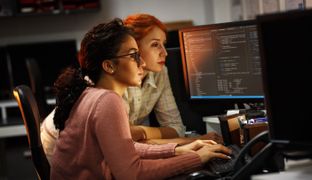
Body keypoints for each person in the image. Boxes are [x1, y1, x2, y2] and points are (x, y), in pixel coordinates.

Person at [50, 18, 231, 179]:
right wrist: (196, 158)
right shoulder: (107, 101)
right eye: (133, 55)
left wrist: (177, 150)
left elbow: (123, 148)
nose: (142, 63)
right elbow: (131, 173)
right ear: (109, 66)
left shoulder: (93, 94)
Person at [123, 13, 223, 144]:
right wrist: (193, 141)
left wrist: (142, 131)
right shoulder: (119, 79)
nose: (165, 53)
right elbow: (124, 137)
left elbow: (175, 127)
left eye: (163, 44)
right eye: (155, 45)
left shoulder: (160, 72)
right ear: (133, 48)